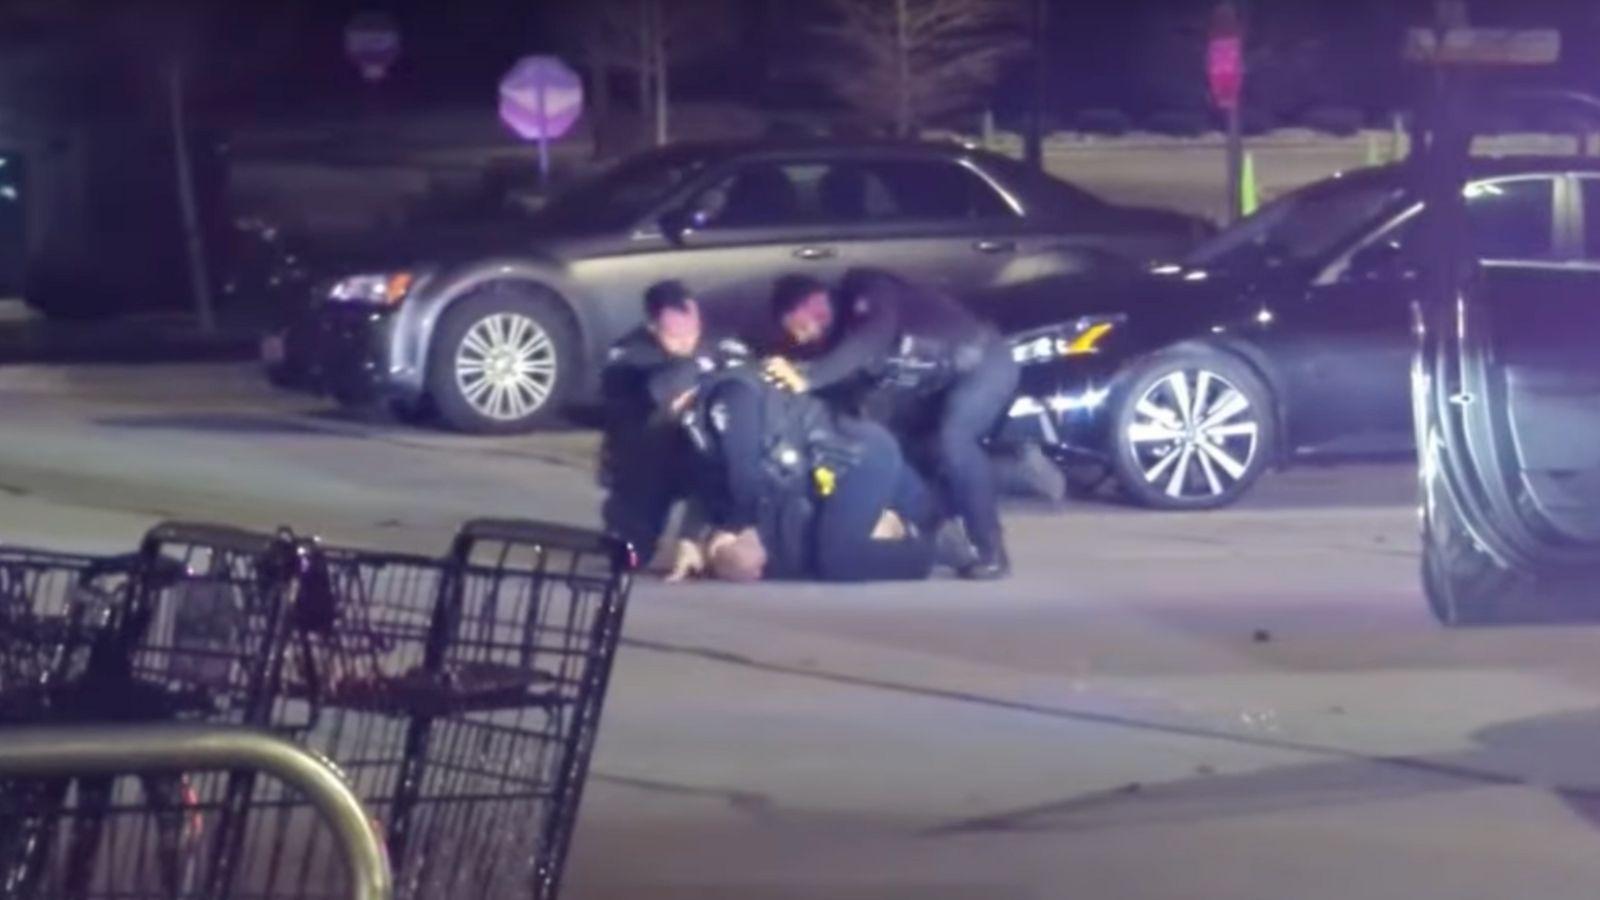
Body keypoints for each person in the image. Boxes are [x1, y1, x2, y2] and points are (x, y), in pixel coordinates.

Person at [764, 269, 1020, 580]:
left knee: (955, 439)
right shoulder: (838, 342)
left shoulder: (867, 290)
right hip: (935, 387)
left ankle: (990, 549)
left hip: (984, 363)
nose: (802, 338)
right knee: (891, 448)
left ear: (816, 303)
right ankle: (937, 528)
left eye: (801, 327)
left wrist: (809, 376)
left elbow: (873, 337)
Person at [661, 365, 943, 583]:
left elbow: (742, 471)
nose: (670, 408)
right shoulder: (699, 424)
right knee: (801, 556)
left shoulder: (731, 397)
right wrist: (689, 537)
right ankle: (881, 525)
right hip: (823, 473)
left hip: (856, 459)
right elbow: (711, 482)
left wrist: (733, 528)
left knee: (838, 560)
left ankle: (926, 554)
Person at [598, 280, 748, 566]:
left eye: (692, 331)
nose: (686, 342)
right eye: (675, 335)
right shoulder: (629, 354)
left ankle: (706, 536)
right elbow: (651, 392)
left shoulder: (720, 341)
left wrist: (702, 377)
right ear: (653, 329)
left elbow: (747, 373)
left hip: (706, 453)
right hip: (648, 455)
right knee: (628, 555)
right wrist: (697, 368)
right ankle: (633, 537)